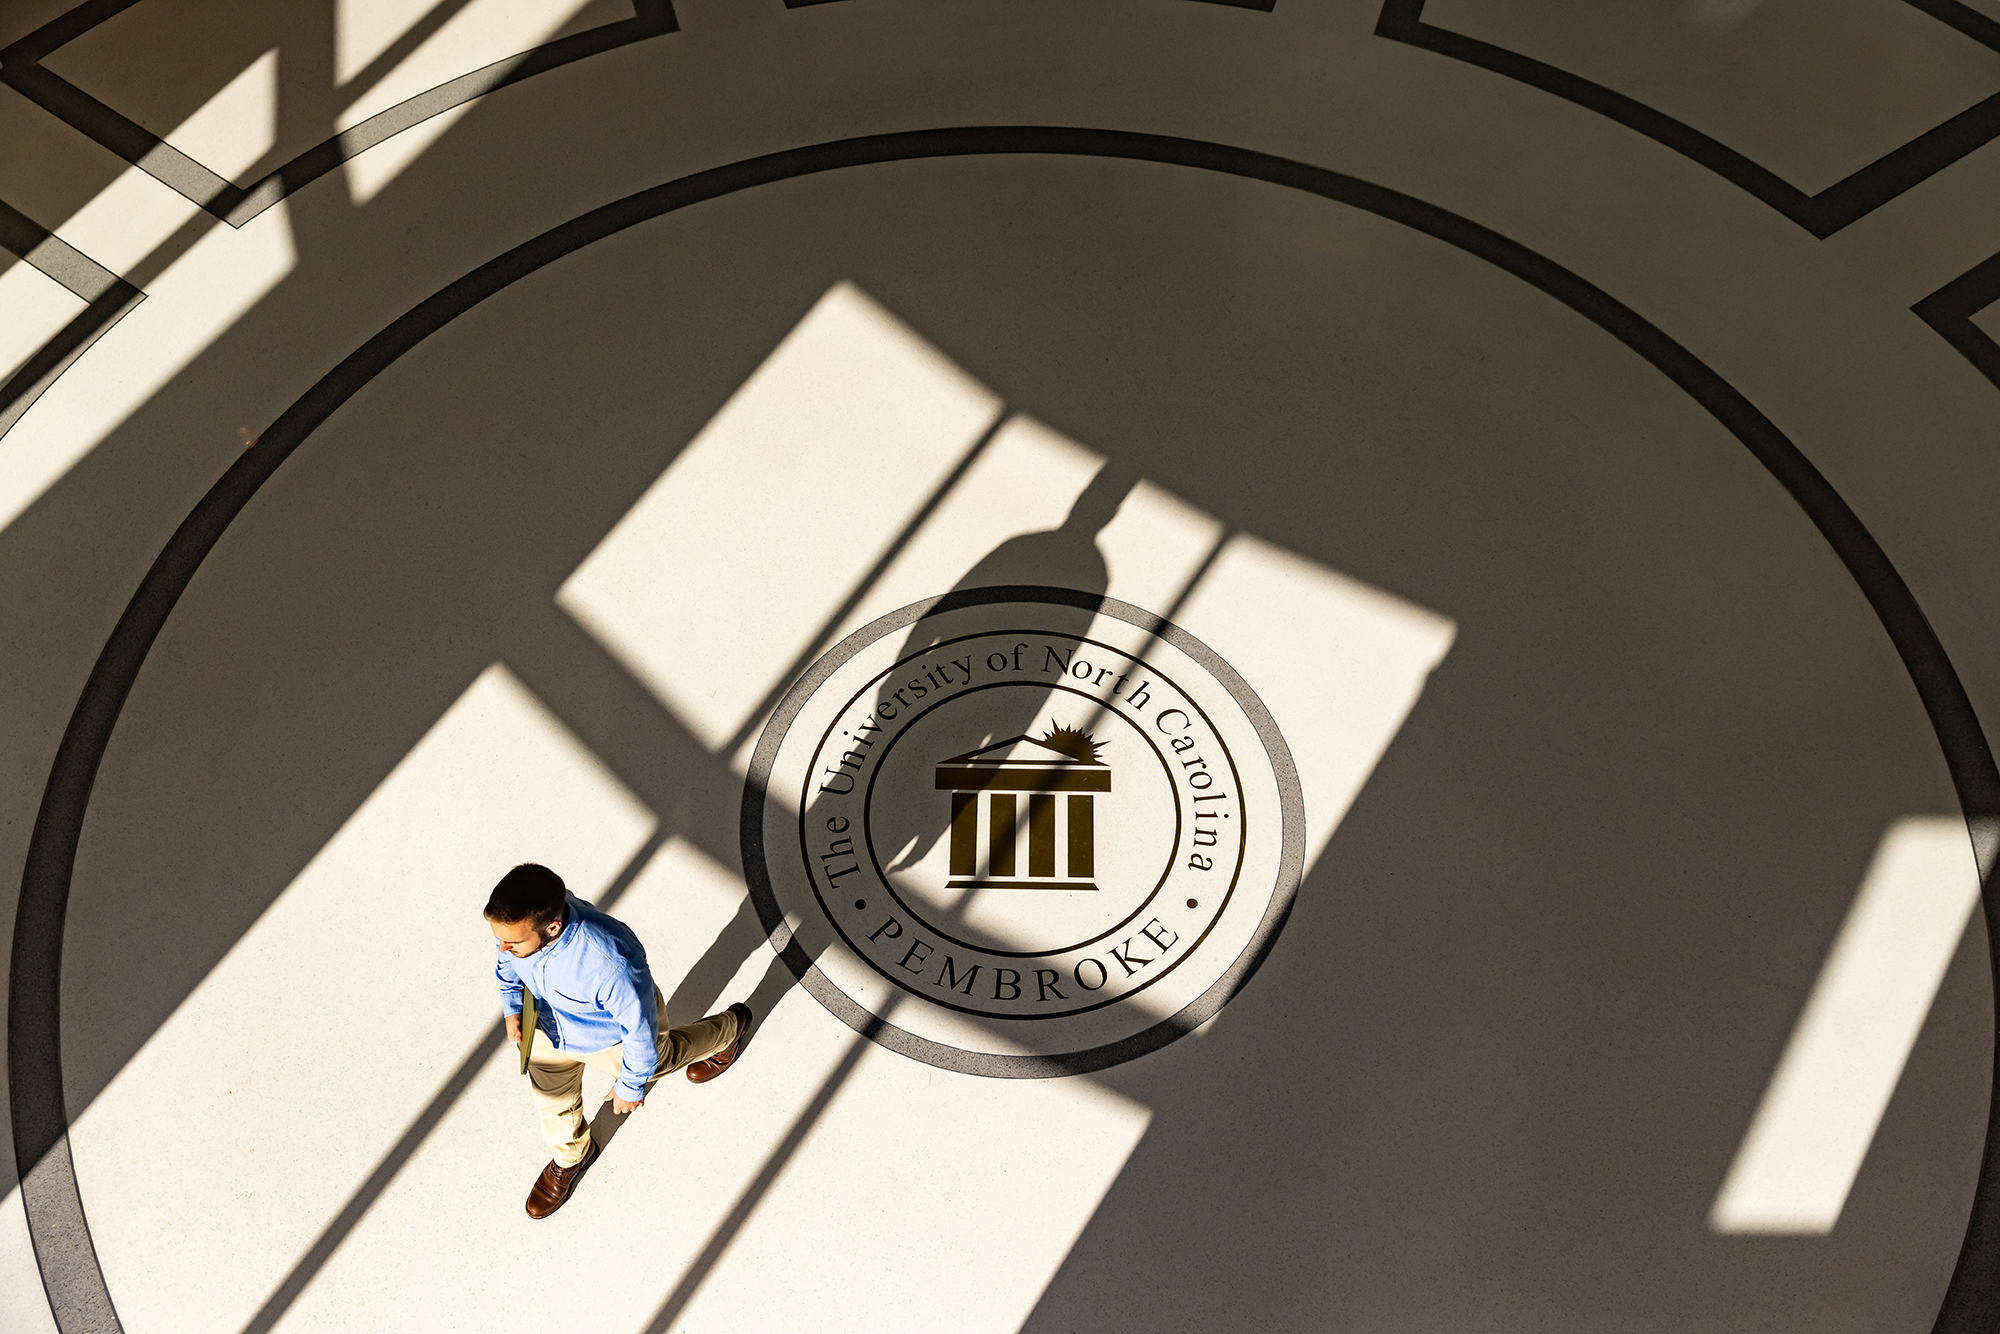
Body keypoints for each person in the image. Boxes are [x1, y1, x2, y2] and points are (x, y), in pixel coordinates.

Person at [486, 863, 750, 1218]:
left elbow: (639, 1029)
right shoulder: (522, 931)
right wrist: (512, 1004)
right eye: (498, 939)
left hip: (610, 1037)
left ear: (553, 927)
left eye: (513, 942)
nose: (502, 948)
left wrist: (630, 1084)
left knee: (659, 1059)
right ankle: (571, 1157)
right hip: (548, 1028)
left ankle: (729, 1030)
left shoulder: (610, 962)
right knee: (552, 1101)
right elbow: (508, 964)